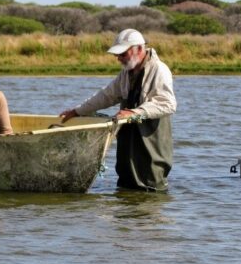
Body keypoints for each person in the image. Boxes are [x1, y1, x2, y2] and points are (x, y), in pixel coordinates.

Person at [59, 29, 176, 191]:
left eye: (123, 53)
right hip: (129, 141)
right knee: (126, 185)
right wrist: (78, 111)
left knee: (151, 187)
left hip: (151, 141)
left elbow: (167, 104)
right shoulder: (126, 72)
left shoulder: (159, 70)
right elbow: (106, 95)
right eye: (118, 54)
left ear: (139, 49)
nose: (119, 58)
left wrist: (134, 113)